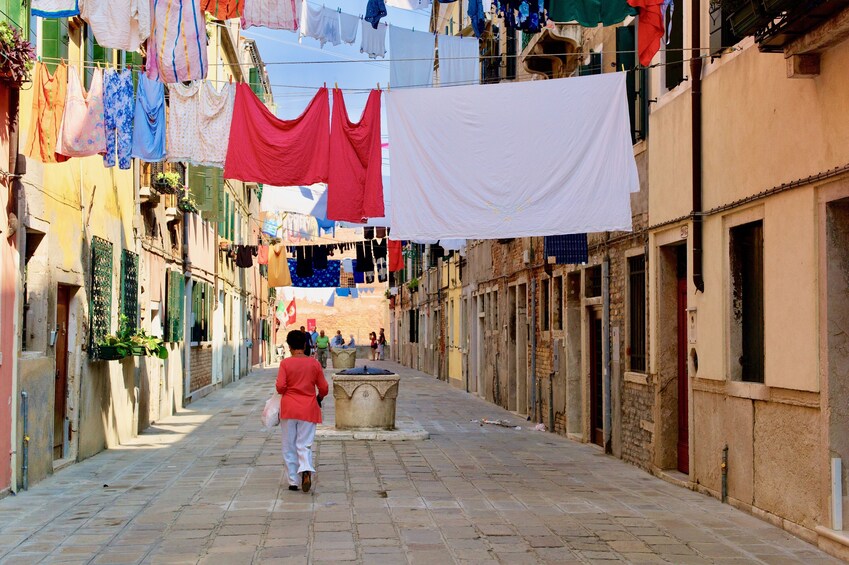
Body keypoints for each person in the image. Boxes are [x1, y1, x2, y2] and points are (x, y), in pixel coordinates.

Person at [276, 330, 328, 493]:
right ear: (305, 345)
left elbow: (280, 387)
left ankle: (293, 481)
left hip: (289, 407)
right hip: (309, 408)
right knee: (304, 444)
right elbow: (324, 388)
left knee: (288, 444)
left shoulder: (285, 363)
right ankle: (306, 469)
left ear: (289, 346)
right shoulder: (314, 364)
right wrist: (319, 397)